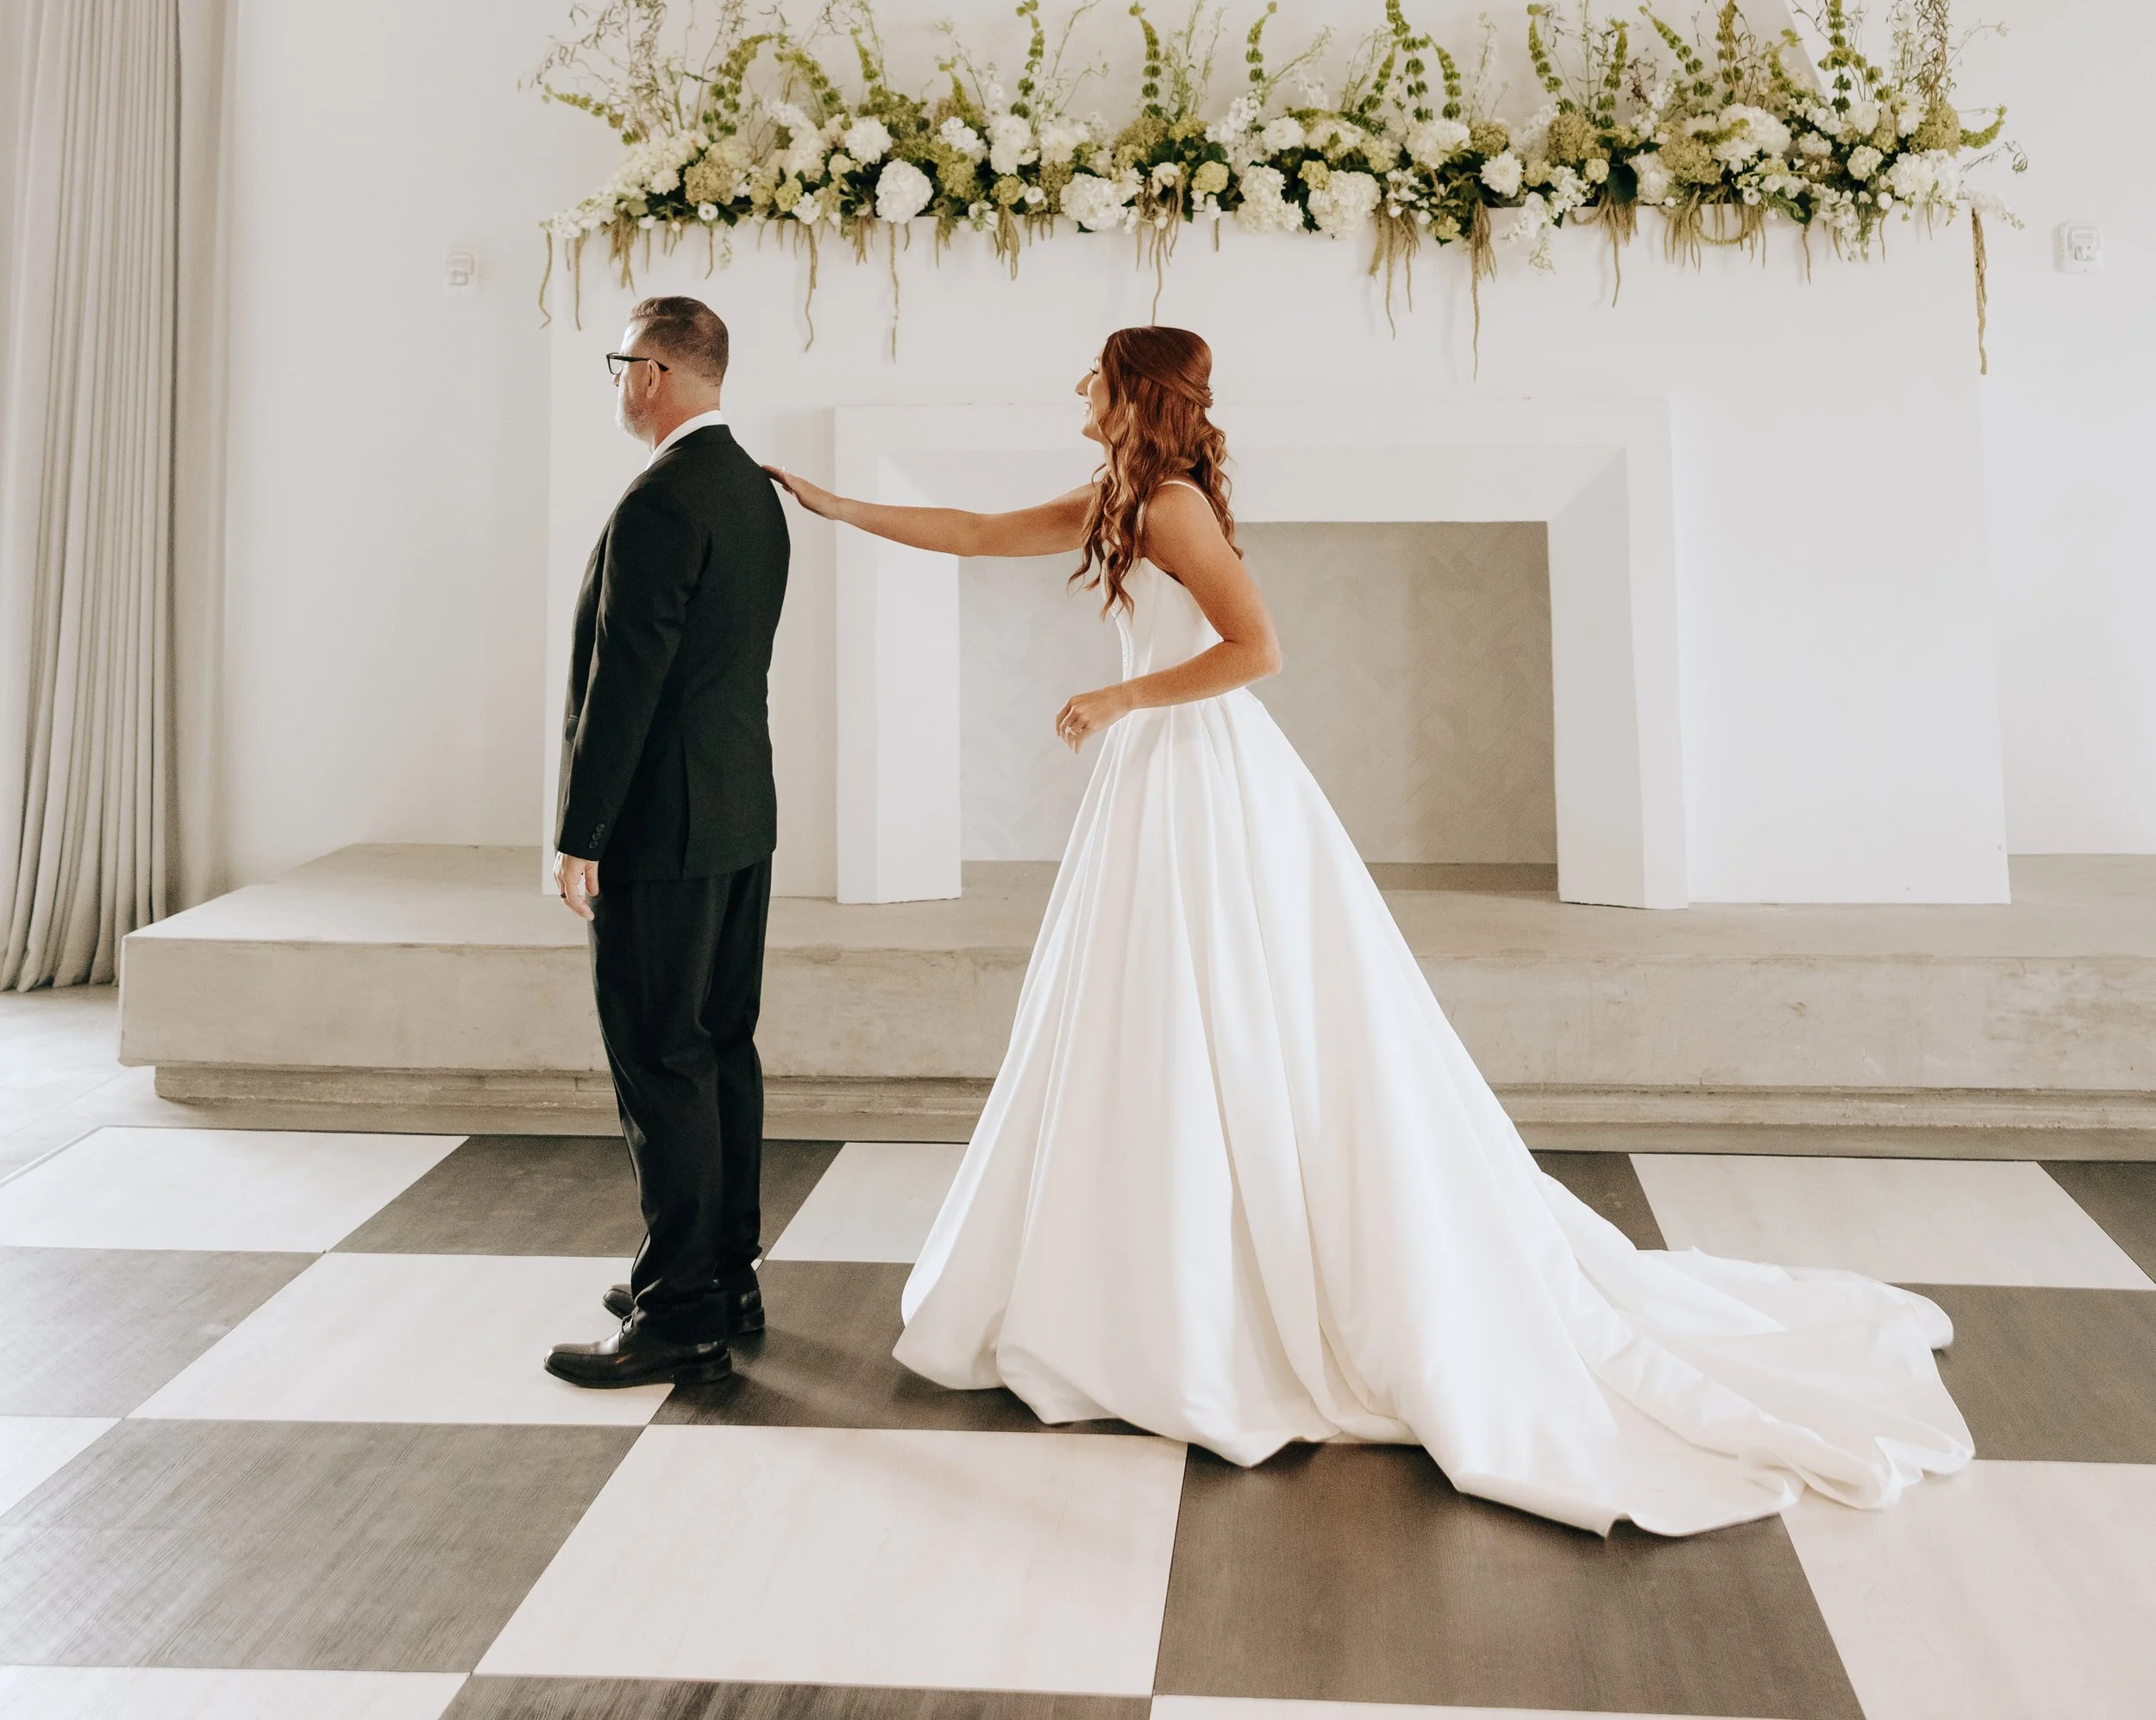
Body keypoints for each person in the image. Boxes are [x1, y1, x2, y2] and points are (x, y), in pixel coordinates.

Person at [765, 323, 1974, 1537]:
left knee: (1224, 1010)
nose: (1074, 385)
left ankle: (1213, 1307)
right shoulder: (1119, 494)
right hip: (1155, 780)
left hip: (1201, 774)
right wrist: (832, 503)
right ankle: (1149, 1286)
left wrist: (1122, 693)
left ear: (1132, 391)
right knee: (1152, 1016)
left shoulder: (1172, 505)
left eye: (1092, 372)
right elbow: (973, 533)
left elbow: (1258, 648)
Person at [545, 293, 790, 1391]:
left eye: (617, 366)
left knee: (659, 1058)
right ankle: (720, 1271)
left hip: (662, 826)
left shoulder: (660, 502)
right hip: (739, 812)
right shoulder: (749, 489)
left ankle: (679, 1310)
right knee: (718, 1046)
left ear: (650, 373)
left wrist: (581, 833)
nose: (616, 385)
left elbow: (624, 685)